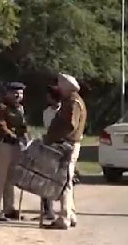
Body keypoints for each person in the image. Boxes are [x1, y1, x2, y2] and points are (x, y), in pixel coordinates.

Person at [43, 73, 86, 230]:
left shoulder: (72, 102)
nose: (58, 89)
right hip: (69, 144)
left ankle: (65, 218)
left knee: (64, 182)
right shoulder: (72, 100)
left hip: (67, 144)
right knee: (66, 180)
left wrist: (53, 136)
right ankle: (71, 214)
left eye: (60, 85)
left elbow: (69, 124)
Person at [0, 82, 28, 221]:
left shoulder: (20, 109)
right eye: (15, 92)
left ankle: (9, 208)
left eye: (20, 93)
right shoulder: (1, 107)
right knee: (0, 177)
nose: (18, 95)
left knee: (11, 178)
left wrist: (25, 137)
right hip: (4, 144)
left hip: (17, 146)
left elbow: (23, 126)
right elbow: (0, 126)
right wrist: (14, 137)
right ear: (7, 93)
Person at [41, 85, 62, 223]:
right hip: (49, 146)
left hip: (62, 147)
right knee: (45, 178)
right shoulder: (47, 112)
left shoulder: (65, 110)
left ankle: (64, 211)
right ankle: (48, 209)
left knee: (60, 180)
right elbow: (47, 128)